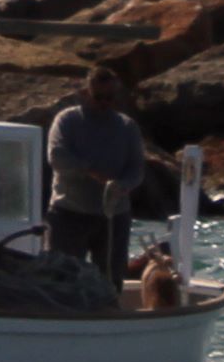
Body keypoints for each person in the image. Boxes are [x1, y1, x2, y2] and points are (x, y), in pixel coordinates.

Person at [45, 69, 151, 276]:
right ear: (86, 93)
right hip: (69, 214)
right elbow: (57, 157)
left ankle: (110, 307)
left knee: (112, 278)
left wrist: (123, 185)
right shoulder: (67, 120)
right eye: (98, 97)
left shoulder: (127, 127)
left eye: (109, 98)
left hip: (113, 217)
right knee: (62, 278)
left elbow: (137, 169)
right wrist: (89, 171)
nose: (104, 103)